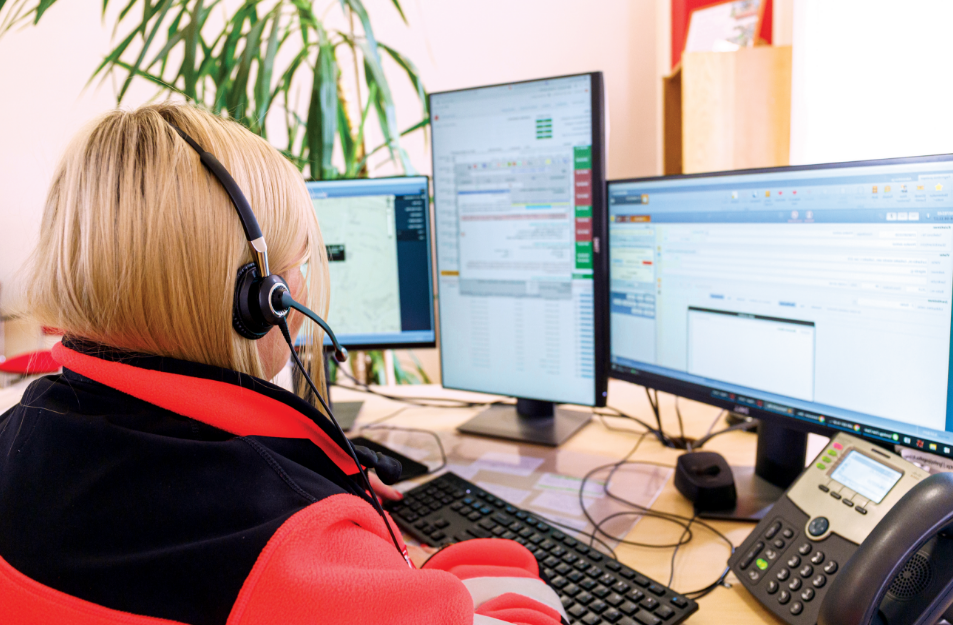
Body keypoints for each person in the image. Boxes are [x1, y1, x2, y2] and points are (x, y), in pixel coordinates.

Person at [0, 104, 568, 625]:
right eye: (298, 264)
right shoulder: (290, 553)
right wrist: (363, 547)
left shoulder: (15, 436)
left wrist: (319, 485)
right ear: (258, 299)